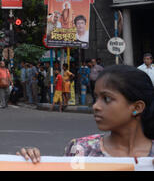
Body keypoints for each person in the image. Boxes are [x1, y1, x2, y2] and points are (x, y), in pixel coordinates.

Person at [18, 65, 154, 162]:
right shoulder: (80, 150)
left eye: (107, 98)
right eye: (96, 98)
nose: (96, 106)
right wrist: (29, 163)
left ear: (137, 107)